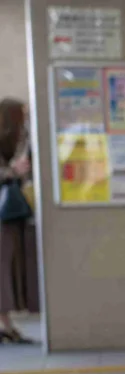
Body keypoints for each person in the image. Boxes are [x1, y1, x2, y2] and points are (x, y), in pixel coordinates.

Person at [0, 98, 32, 344]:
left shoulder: (14, 142)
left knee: (6, 269)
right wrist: (13, 171)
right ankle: (5, 326)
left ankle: (6, 324)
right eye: (23, 115)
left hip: (9, 216)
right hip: (4, 216)